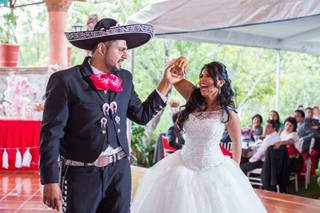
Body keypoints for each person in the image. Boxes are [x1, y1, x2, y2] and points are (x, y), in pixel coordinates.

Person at [40, 18, 177, 213]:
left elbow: (142, 115)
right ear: (102, 48)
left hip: (119, 172)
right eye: (121, 49)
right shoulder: (65, 80)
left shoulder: (125, 78)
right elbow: (51, 134)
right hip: (81, 173)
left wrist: (166, 82)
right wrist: (50, 180)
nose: (125, 55)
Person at [132, 60, 267, 212]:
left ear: (221, 82)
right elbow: (174, 78)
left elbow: (237, 143)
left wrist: (234, 174)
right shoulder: (193, 96)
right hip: (182, 164)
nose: (202, 79)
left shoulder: (228, 113)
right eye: (201, 75)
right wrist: (178, 63)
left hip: (213, 168)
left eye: (208, 76)